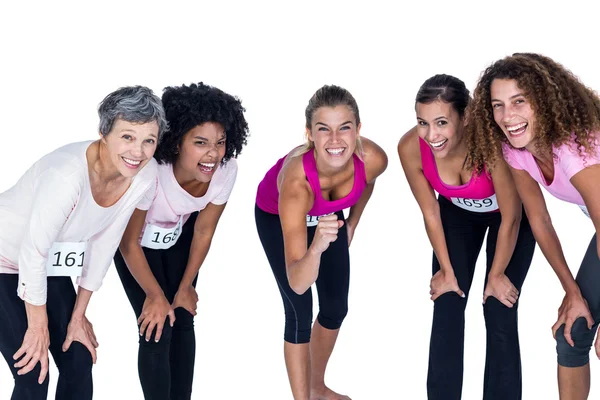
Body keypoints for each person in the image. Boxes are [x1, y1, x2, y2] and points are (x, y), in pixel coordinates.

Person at [0, 86, 165, 400]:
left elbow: (105, 243)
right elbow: (32, 252)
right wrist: (38, 327)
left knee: (78, 359)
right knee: (33, 370)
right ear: (104, 132)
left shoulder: (144, 176)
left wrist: (78, 316)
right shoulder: (65, 176)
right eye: (127, 137)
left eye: (149, 140)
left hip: (47, 265)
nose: (138, 152)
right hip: (5, 259)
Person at [468, 52, 600, 400]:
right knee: (573, 332)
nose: (507, 116)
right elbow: (539, 219)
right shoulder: (517, 151)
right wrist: (572, 293)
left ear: (542, 101)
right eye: (498, 105)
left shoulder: (575, 150)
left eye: (519, 102)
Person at [397, 74, 536, 400]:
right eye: (422, 122)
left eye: (442, 122)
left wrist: (496, 274)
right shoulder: (410, 149)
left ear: (466, 117)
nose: (431, 134)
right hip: (458, 217)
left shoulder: (492, 145)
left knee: (498, 307)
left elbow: (512, 217)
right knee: (447, 301)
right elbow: (431, 212)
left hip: (511, 217)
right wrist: (445, 270)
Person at [114, 82, 249, 400]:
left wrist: (187, 286)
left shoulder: (226, 171)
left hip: (179, 236)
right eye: (200, 142)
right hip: (134, 244)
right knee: (157, 327)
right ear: (176, 143)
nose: (213, 153)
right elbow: (128, 242)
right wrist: (155, 295)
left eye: (220, 142)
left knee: (183, 317)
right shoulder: (151, 174)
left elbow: (203, 230)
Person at [255, 84, 387, 400]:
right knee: (300, 309)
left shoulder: (374, 159)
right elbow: (298, 282)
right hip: (279, 215)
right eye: (323, 129)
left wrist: (352, 222)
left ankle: (316, 388)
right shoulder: (296, 183)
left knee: (335, 308)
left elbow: (367, 183)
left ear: (358, 130)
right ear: (309, 133)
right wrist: (316, 247)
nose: (335, 140)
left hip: (329, 218)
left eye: (345, 128)